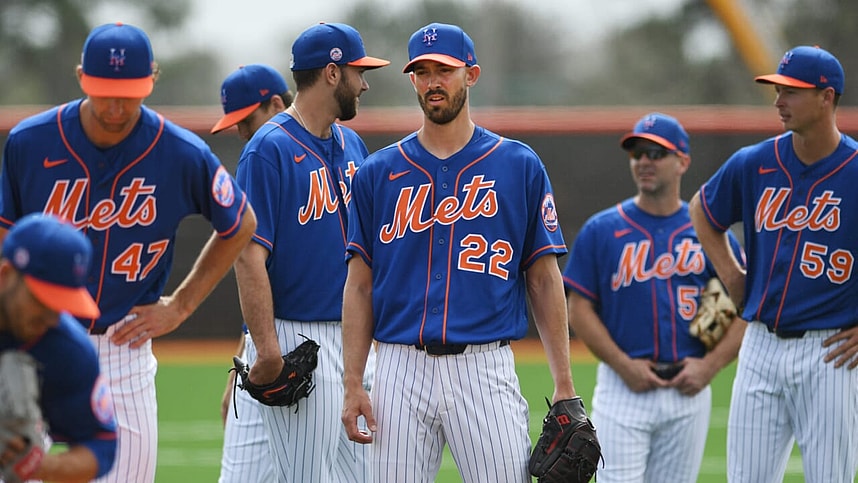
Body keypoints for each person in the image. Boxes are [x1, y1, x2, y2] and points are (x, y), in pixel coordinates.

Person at [0, 22, 256, 483]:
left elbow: (240, 224)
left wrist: (181, 305)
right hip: (34, 337)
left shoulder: (180, 152)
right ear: (81, 77)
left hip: (123, 343)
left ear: (152, 80)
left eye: (130, 92)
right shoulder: (30, 142)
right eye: (104, 91)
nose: (116, 106)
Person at [341, 22, 582, 482]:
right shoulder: (377, 173)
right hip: (398, 369)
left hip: (483, 368)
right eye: (423, 71)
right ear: (412, 79)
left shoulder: (518, 165)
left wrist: (564, 385)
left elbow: (544, 279)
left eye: (445, 70)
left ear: (471, 74)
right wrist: (354, 381)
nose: (434, 81)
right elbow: (359, 284)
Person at [689, 45, 858, 482]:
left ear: (827, 97)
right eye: (777, 89)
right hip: (760, 346)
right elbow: (702, 212)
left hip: (831, 351)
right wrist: (732, 277)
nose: (780, 100)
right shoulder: (755, 162)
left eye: (792, 91)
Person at [232, 22, 388, 482]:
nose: (365, 82)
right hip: (300, 337)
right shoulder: (269, 150)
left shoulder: (352, 143)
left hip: (356, 338)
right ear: (333, 74)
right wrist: (267, 349)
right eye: (359, 71)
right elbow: (248, 256)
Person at [562, 112, 746, 482]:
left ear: (683, 162)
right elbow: (578, 310)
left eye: (655, 153)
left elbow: (746, 308)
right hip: (623, 387)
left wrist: (709, 367)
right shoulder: (603, 229)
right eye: (637, 153)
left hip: (688, 387)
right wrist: (622, 365)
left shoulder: (708, 233)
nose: (644, 161)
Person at [210, 63, 291, 483]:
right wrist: (239, 367)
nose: (242, 132)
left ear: (276, 103)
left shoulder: (278, 157)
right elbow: (258, 272)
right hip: (263, 345)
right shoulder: (261, 160)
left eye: (247, 119)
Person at [0, 213, 117, 481]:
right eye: (42, 300)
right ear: (6, 275)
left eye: (61, 303)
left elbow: (101, 446)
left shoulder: (66, 348)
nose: (51, 317)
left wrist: (39, 466)